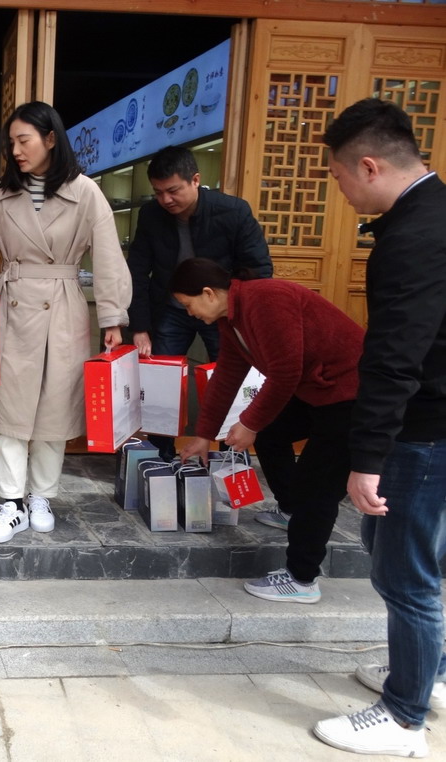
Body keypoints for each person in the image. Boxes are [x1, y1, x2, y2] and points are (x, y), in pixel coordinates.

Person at [310, 99, 446, 758]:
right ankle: (430, 676)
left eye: (338, 177)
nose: (339, 190)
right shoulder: (435, 213)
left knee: (405, 573)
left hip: (423, 431)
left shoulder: (413, 238)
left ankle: (402, 715)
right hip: (436, 421)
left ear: (368, 166)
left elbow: (395, 355)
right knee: (421, 559)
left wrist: (366, 458)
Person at [0, 101, 131, 544]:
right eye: (11, 143)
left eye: (24, 141)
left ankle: (41, 497)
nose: (15, 151)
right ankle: (12, 502)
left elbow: (108, 258)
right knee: (8, 408)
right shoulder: (2, 196)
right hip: (11, 305)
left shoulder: (86, 193)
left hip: (63, 305)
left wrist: (113, 316)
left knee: (55, 407)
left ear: (50, 139)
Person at [175, 258, 363, 604]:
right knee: (271, 433)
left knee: (317, 485)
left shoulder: (266, 299)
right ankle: (290, 510)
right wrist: (204, 435)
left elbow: (286, 372)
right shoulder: (231, 320)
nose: (190, 314)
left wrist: (249, 423)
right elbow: (227, 376)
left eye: (189, 305)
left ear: (208, 293)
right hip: (315, 390)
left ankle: (302, 579)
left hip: (350, 393)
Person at [126, 146, 272, 466]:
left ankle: (230, 456)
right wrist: (140, 327)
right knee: (161, 383)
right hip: (171, 310)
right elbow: (136, 271)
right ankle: (161, 455)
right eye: (158, 192)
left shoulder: (232, 211)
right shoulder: (151, 216)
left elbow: (258, 270)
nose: (166, 200)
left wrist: (239, 315)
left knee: (229, 379)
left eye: (173, 190)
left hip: (222, 314)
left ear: (195, 180)